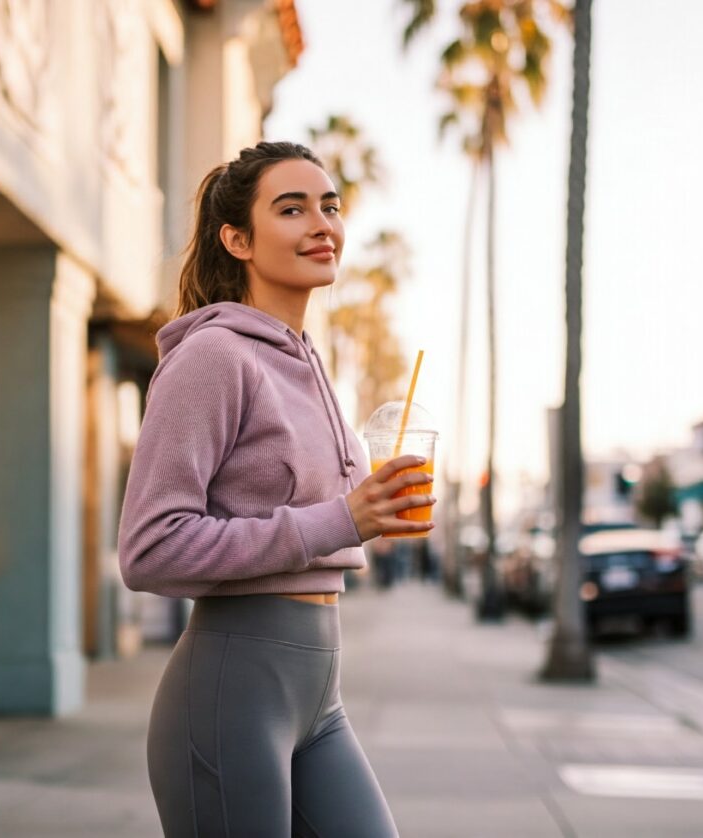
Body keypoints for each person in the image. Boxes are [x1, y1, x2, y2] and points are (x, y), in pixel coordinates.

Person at [118, 141, 433, 837]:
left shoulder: (309, 363)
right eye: (291, 209)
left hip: (321, 694)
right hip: (232, 688)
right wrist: (341, 519)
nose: (322, 224)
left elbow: (327, 524)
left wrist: (373, 513)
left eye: (331, 206)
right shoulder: (213, 357)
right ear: (238, 239)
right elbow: (148, 550)